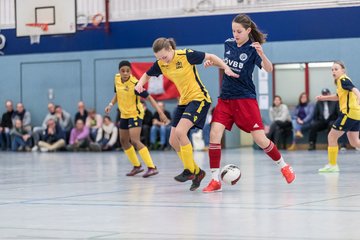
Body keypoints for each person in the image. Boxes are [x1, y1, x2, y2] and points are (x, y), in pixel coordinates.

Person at [201, 13, 295, 193]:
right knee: (214, 134)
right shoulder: (228, 44)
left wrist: (262, 54)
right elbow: (227, 65)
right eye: (233, 30)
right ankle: (215, 180)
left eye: (239, 31)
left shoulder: (253, 49)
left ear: (248, 31)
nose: (235, 34)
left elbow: (269, 69)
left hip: (245, 99)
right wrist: (213, 63)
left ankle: (284, 166)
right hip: (226, 98)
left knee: (260, 139)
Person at [135, 37, 239, 191]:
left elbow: (211, 57)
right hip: (184, 101)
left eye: (164, 57)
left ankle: (189, 170)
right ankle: (197, 172)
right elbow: (147, 74)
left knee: (180, 131)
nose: (163, 61)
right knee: (173, 141)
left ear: (171, 49)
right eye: (159, 58)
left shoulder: (186, 55)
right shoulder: (161, 64)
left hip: (199, 98)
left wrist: (226, 68)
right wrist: (139, 84)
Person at [105, 60, 169, 178]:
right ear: (119, 71)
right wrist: (110, 104)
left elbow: (149, 98)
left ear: (131, 71)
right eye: (122, 71)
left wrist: (160, 113)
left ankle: (152, 167)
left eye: (127, 71)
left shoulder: (135, 84)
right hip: (124, 114)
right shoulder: (117, 79)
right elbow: (117, 94)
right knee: (124, 141)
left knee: (135, 140)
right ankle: (137, 166)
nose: (125, 73)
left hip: (135, 113)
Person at [318, 61, 360, 172]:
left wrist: (359, 96)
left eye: (336, 69)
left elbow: (354, 89)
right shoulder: (341, 82)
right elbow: (338, 97)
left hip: (348, 114)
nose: (334, 71)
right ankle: (332, 165)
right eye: (332, 69)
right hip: (356, 115)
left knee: (331, 137)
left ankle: (333, 165)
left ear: (343, 70)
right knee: (355, 142)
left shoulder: (343, 80)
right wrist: (323, 98)